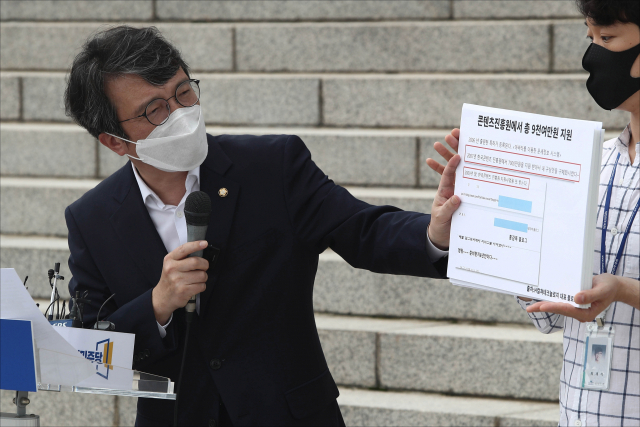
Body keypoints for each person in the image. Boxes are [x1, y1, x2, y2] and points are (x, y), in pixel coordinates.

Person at [63, 26, 461, 426]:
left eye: (184, 92)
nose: (180, 115)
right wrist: (158, 304)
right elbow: (89, 344)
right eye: (155, 110)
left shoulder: (273, 165)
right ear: (115, 141)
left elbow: (362, 229)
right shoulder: (92, 218)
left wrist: (434, 235)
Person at [428, 1, 639, 425]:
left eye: (607, 38)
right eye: (589, 37)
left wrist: (622, 290)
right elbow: (547, 295)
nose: (593, 54)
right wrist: (467, 220)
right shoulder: (595, 165)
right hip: (583, 411)